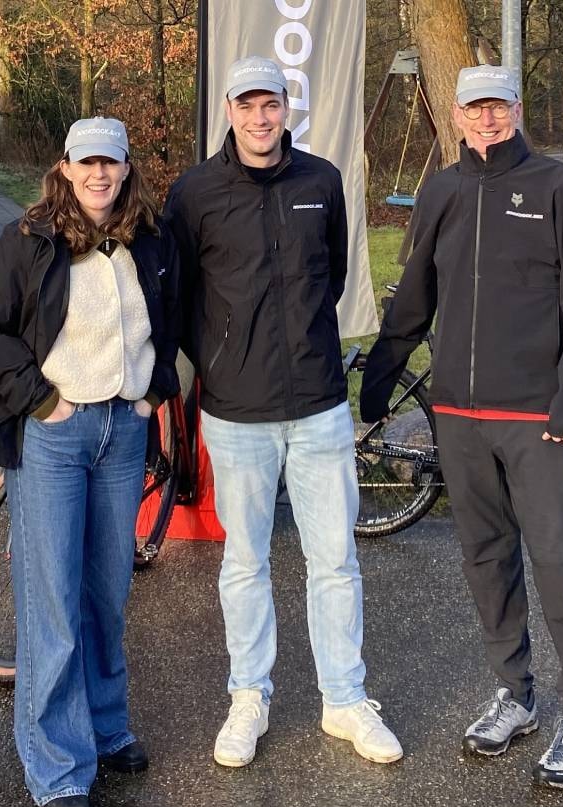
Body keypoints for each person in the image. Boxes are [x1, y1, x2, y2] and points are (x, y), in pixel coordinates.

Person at [361, 66, 563, 789]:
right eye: (474, 107)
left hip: (538, 415)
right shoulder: (442, 189)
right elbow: (416, 290)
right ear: (458, 112)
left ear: (516, 109)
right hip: (460, 416)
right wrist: (383, 373)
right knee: (486, 558)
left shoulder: (560, 188)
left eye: (498, 106)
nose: (487, 118)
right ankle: (515, 691)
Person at [164, 56, 402, 768]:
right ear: (230, 111)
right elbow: (179, 295)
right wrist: (219, 359)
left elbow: (330, 276)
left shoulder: (321, 181)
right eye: (248, 106)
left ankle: (345, 698)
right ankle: (248, 696)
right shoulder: (194, 192)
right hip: (236, 413)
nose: (260, 118)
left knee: (334, 560)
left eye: (272, 105)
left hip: (320, 404)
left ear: (286, 109)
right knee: (245, 563)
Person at [0, 117, 179, 807]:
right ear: (64, 167)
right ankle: (56, 764)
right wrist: (41, 398)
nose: (98, 175)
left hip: (123, 431)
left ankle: (107, 727)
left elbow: (172, 316)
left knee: (106, 589)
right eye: (86, 163)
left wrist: (155, 390)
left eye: (110, 164)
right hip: (57, 432)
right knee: (53, 597)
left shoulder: (148, 239)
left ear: (125, 170)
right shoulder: (29, 240)